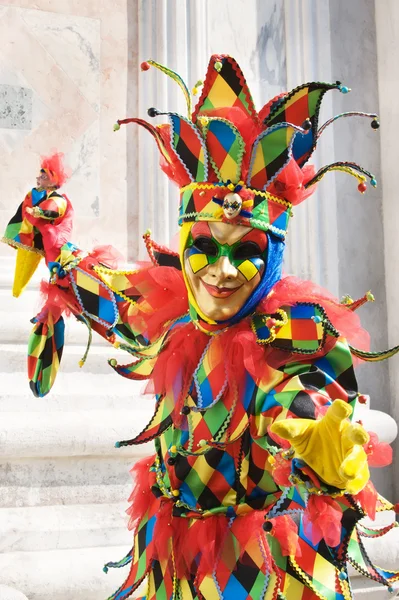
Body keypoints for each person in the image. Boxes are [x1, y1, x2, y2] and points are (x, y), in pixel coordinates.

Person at [102, 55, 399, 599]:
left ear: (273, 259)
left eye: (244, 253)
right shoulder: (167, 310)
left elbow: (295, 403)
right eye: (205, 250)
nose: (219, 272)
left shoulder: (293, 333)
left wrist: (327, 440)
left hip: (263, 566)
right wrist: (55, 257)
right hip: (176, 558)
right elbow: (101, 295)